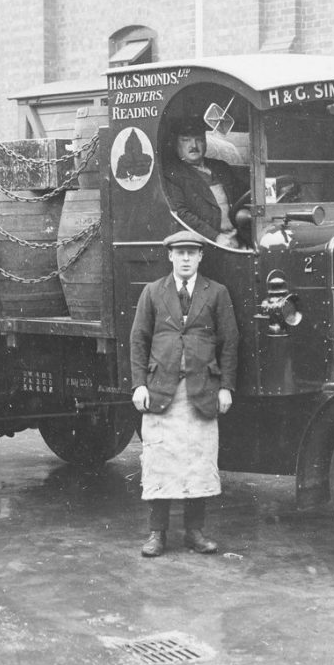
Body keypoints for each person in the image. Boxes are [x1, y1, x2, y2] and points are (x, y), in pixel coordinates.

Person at [129, 230, 239, 557]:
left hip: (202, 392)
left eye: (192, 252)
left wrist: (226, 388)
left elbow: (230, 342)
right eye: (180, 253)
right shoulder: (152, 293)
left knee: (198, 461)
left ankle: (195, 532)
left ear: (202, 256)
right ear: (170, 257)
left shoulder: (216, 293)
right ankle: (157, 535)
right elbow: (138, 340)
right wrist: (138, 384)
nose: (186, 258)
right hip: (161, 391)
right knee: (159, 460)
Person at [161, 118, 242, 248]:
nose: (193, 145)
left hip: (238, 235)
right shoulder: (173, 175)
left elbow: (243, 196)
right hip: (209, 243)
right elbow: (182, 214)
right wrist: (215, 237)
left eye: (198, 139)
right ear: (176, 144)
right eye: (186, 140)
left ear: (205, 141)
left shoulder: (221, 167)